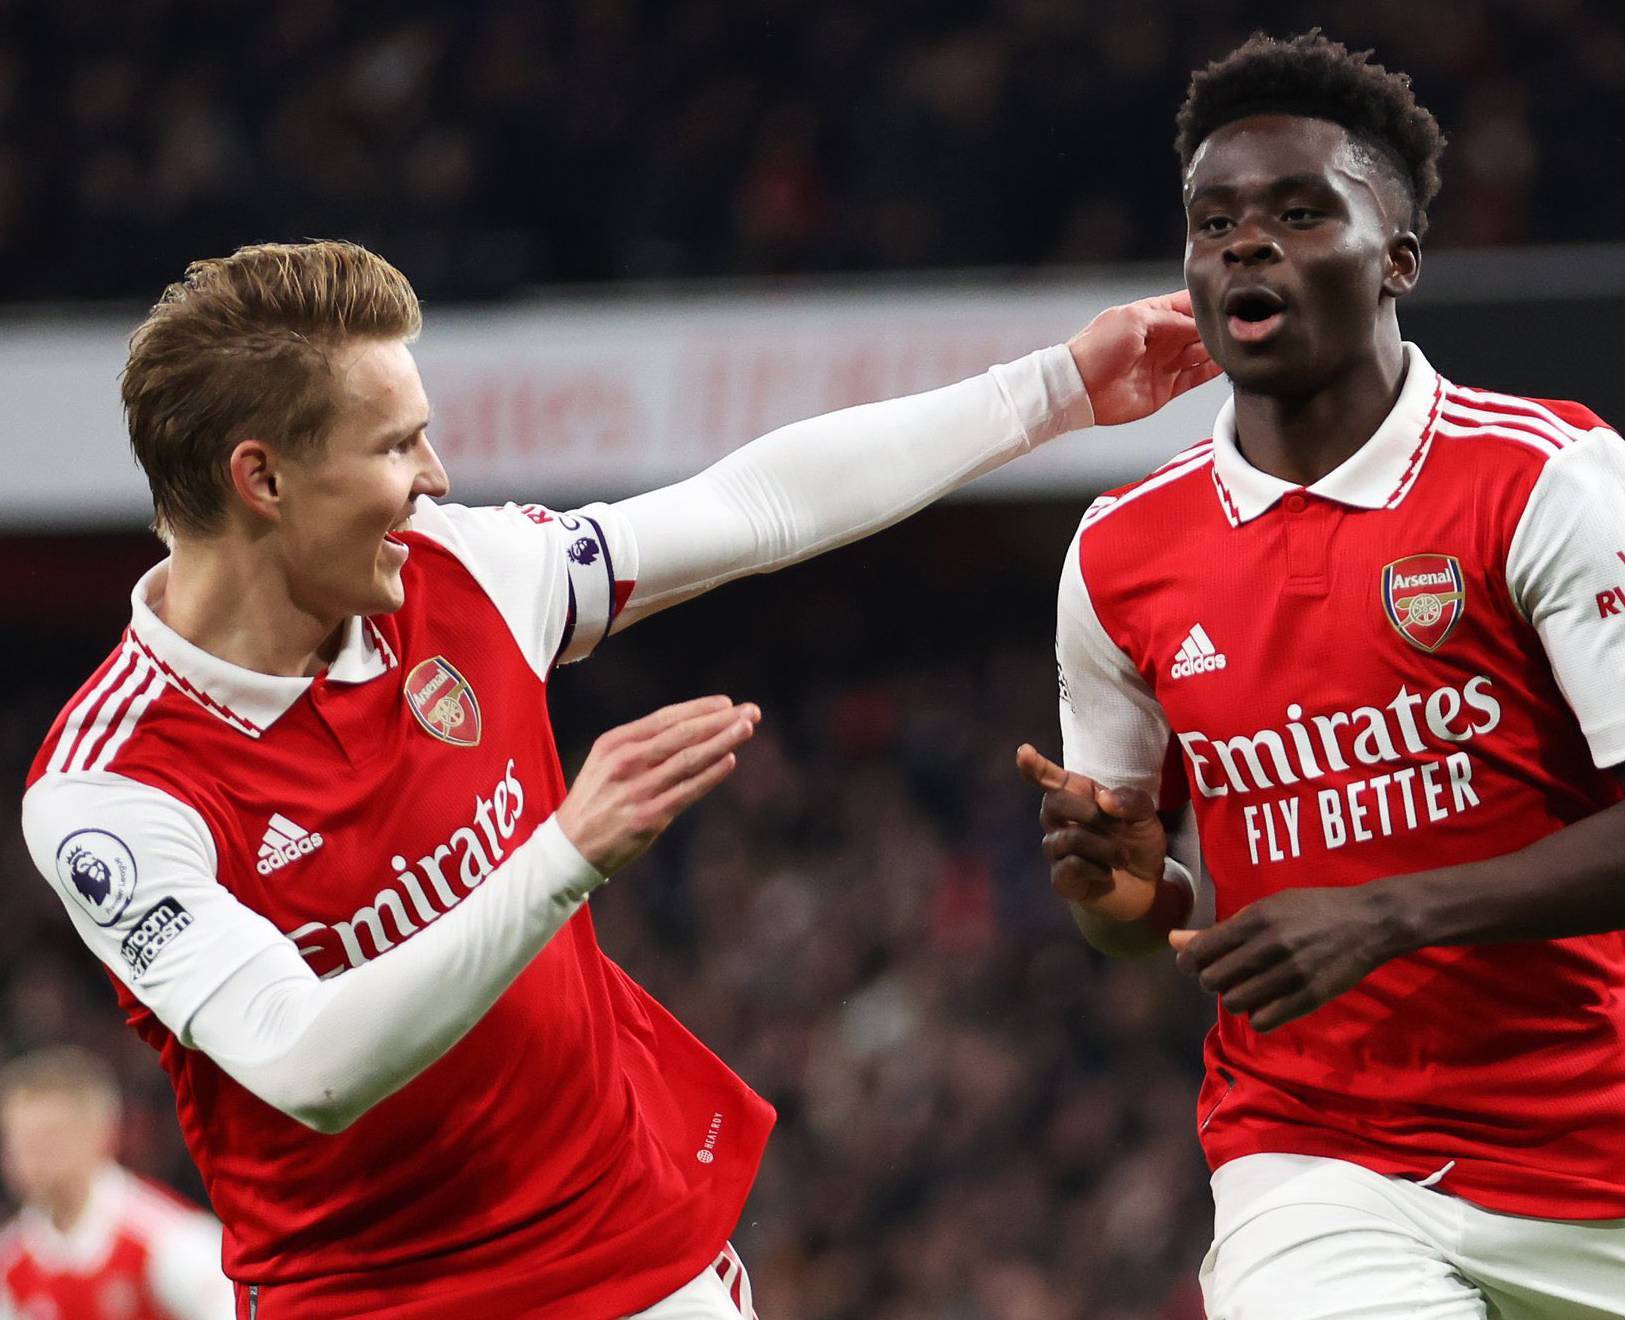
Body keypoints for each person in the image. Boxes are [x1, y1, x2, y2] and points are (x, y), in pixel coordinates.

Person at [19, 239, 1216, 1319]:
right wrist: (562, 854)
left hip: (635, 1264)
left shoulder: (463, 576)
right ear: (263, 479)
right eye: (394, 445)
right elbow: (309, 1064)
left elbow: (753, 507)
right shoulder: (111, 794)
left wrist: (1057, 387)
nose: (436, 475)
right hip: (371, 1299)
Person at [1019, 30, 1625, 1319]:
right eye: (1213, 222)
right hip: (1310, 1152)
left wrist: (1388, 914)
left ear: (1398, 257)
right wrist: (1121, 893)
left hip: (1604, 1149)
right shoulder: (1119, 553)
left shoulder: (1543, 478)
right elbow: (1140, 916)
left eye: (1300, 214)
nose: (1246, 246)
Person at [1, 1046, 231, 1320]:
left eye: (48, 1137)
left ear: (102, 1134)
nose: (31, 1155)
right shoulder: (10, 1260)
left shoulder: (167, 1238)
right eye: (19, 1140)